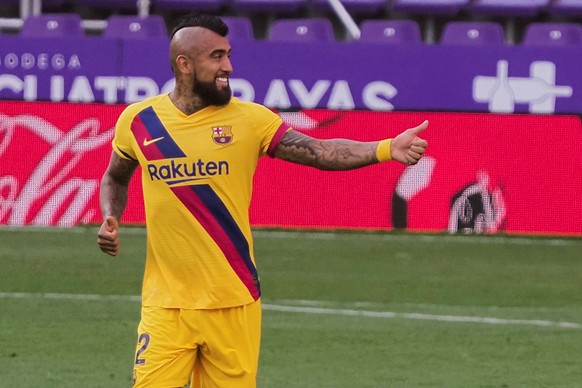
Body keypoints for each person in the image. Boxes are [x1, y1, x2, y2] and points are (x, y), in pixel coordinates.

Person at [97, 13, 428, 388]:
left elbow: (319, 151)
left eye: (228, 54)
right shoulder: (138, 121)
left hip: (235, 301)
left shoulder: (250, 120)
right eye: (217, 57)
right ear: (184, 65)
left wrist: (385, 148)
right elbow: (115, 176)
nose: (229, 66)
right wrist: (111, 216)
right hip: (166, 305)